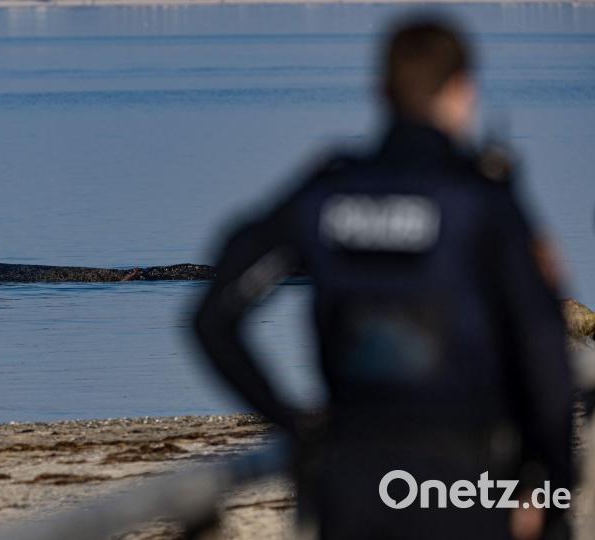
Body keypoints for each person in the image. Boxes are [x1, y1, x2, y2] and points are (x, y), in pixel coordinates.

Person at [193, 17, 575, 540]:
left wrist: (294, 424)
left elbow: (213, 319)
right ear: (463, 90)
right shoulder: (479, 201)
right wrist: (552, 481)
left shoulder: (328, 193)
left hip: (353, 479)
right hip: (464, 481)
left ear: (380, 92)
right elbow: (542, 350)